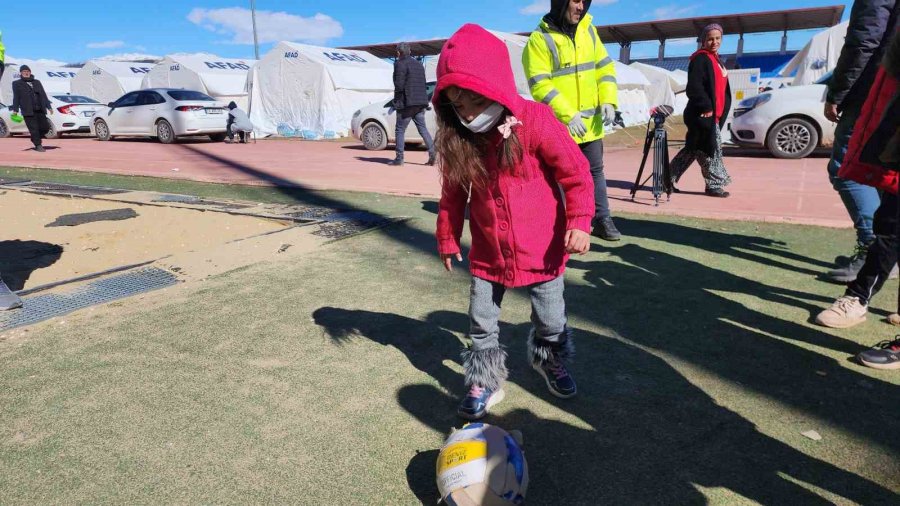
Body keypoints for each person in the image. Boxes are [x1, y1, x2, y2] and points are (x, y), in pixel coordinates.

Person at [434, 24, 594, 420]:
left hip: (543, 250)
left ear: (497, 85)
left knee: (551, 319)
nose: (467, 113)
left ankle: (548, 358)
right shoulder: (461, 139)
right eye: (457, 105)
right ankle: (485, 380)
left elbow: (576, 172)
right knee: (481, 321)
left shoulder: (536, 120)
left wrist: (580, 219)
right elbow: (452, 194)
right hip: (488, 253)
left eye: (474, 100)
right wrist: (447, 236)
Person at [523, 0, 622, 241]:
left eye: (584, 1)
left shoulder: (589, 30)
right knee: (559, 176)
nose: (581, 7)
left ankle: (602, 219)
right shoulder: (539, 39)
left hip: (590, 125)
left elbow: (604, 68)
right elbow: (539, 84)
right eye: (576, 0)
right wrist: (568, 115)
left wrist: (609, 100)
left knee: (595, 172)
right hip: (560, 126)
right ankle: (559, 224)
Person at [823, 0, 899, 282]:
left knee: (846, 169)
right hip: (891, 92)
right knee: (886, 173)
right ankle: (886, 253)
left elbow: (864, 40)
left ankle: (873, 250)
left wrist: (837, 92)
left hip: (876, 90)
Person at [669, 24, 732, 198]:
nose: (714, 42)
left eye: (717, 38)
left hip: (714, 115)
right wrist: (706, 107)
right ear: (703, 40)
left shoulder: (717, 60)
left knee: (693, 149)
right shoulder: (700, 59)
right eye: (710, 39)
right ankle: (714, 185)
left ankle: (665, 179)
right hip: (702, 114)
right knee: (711, 149)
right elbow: (694, 87)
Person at [389, 42, 436, 167]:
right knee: (423, 129)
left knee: (400, 130)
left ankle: (399, 159)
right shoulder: (419, 64)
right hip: (420, 102)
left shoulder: (399, 64)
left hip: (407, 103)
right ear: (409, 51)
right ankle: (433, 153)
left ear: (398, 52)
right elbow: (423, 83)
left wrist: (396, 101)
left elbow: (398, 85)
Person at [10, 65, 52, 152]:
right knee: (34, 129)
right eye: (24, 71)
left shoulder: (37, 82)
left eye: (27, 71)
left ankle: (34, 138)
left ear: (30, 72)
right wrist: (15, 109)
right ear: (21, 73)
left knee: (45, 127)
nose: (26, 73)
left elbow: (43, 94)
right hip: (28, 110)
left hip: (40, 109)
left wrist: (49, 106)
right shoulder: (16, 83)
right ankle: (38, 145)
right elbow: (16, 97)